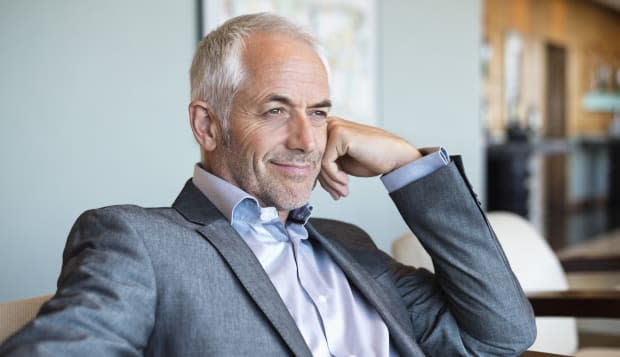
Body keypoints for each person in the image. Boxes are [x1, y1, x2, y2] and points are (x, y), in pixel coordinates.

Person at [0, 13, 535, 356]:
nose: (307, 140)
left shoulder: (351, 245)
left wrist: (406, 162)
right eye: (276, 110)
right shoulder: (138, 240)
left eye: (320, 112)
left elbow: (503, 333)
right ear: (208, 126)